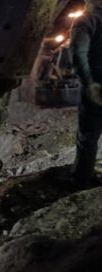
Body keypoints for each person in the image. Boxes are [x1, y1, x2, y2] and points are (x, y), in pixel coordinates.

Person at [70, 0, 102, 188]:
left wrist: (89, 84)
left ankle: (80, 181)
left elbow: (78, 52)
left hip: (97, 85)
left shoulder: (87, 20)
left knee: (88, 136)